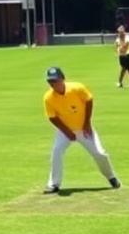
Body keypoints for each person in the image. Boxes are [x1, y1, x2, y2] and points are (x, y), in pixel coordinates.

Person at [42, 66, 120, 194]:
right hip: (65, 130)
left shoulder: (77, 88)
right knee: (56, 152)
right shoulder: (48, 97)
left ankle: (111, 177)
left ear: (63, 79)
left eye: (56, 81)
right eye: (50, 82)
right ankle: (53, 184)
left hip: (83, 128)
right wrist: (67, 132)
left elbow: (89, 100)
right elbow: (52, 117)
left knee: (99, 153)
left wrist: (87, 123)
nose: (53, 84)